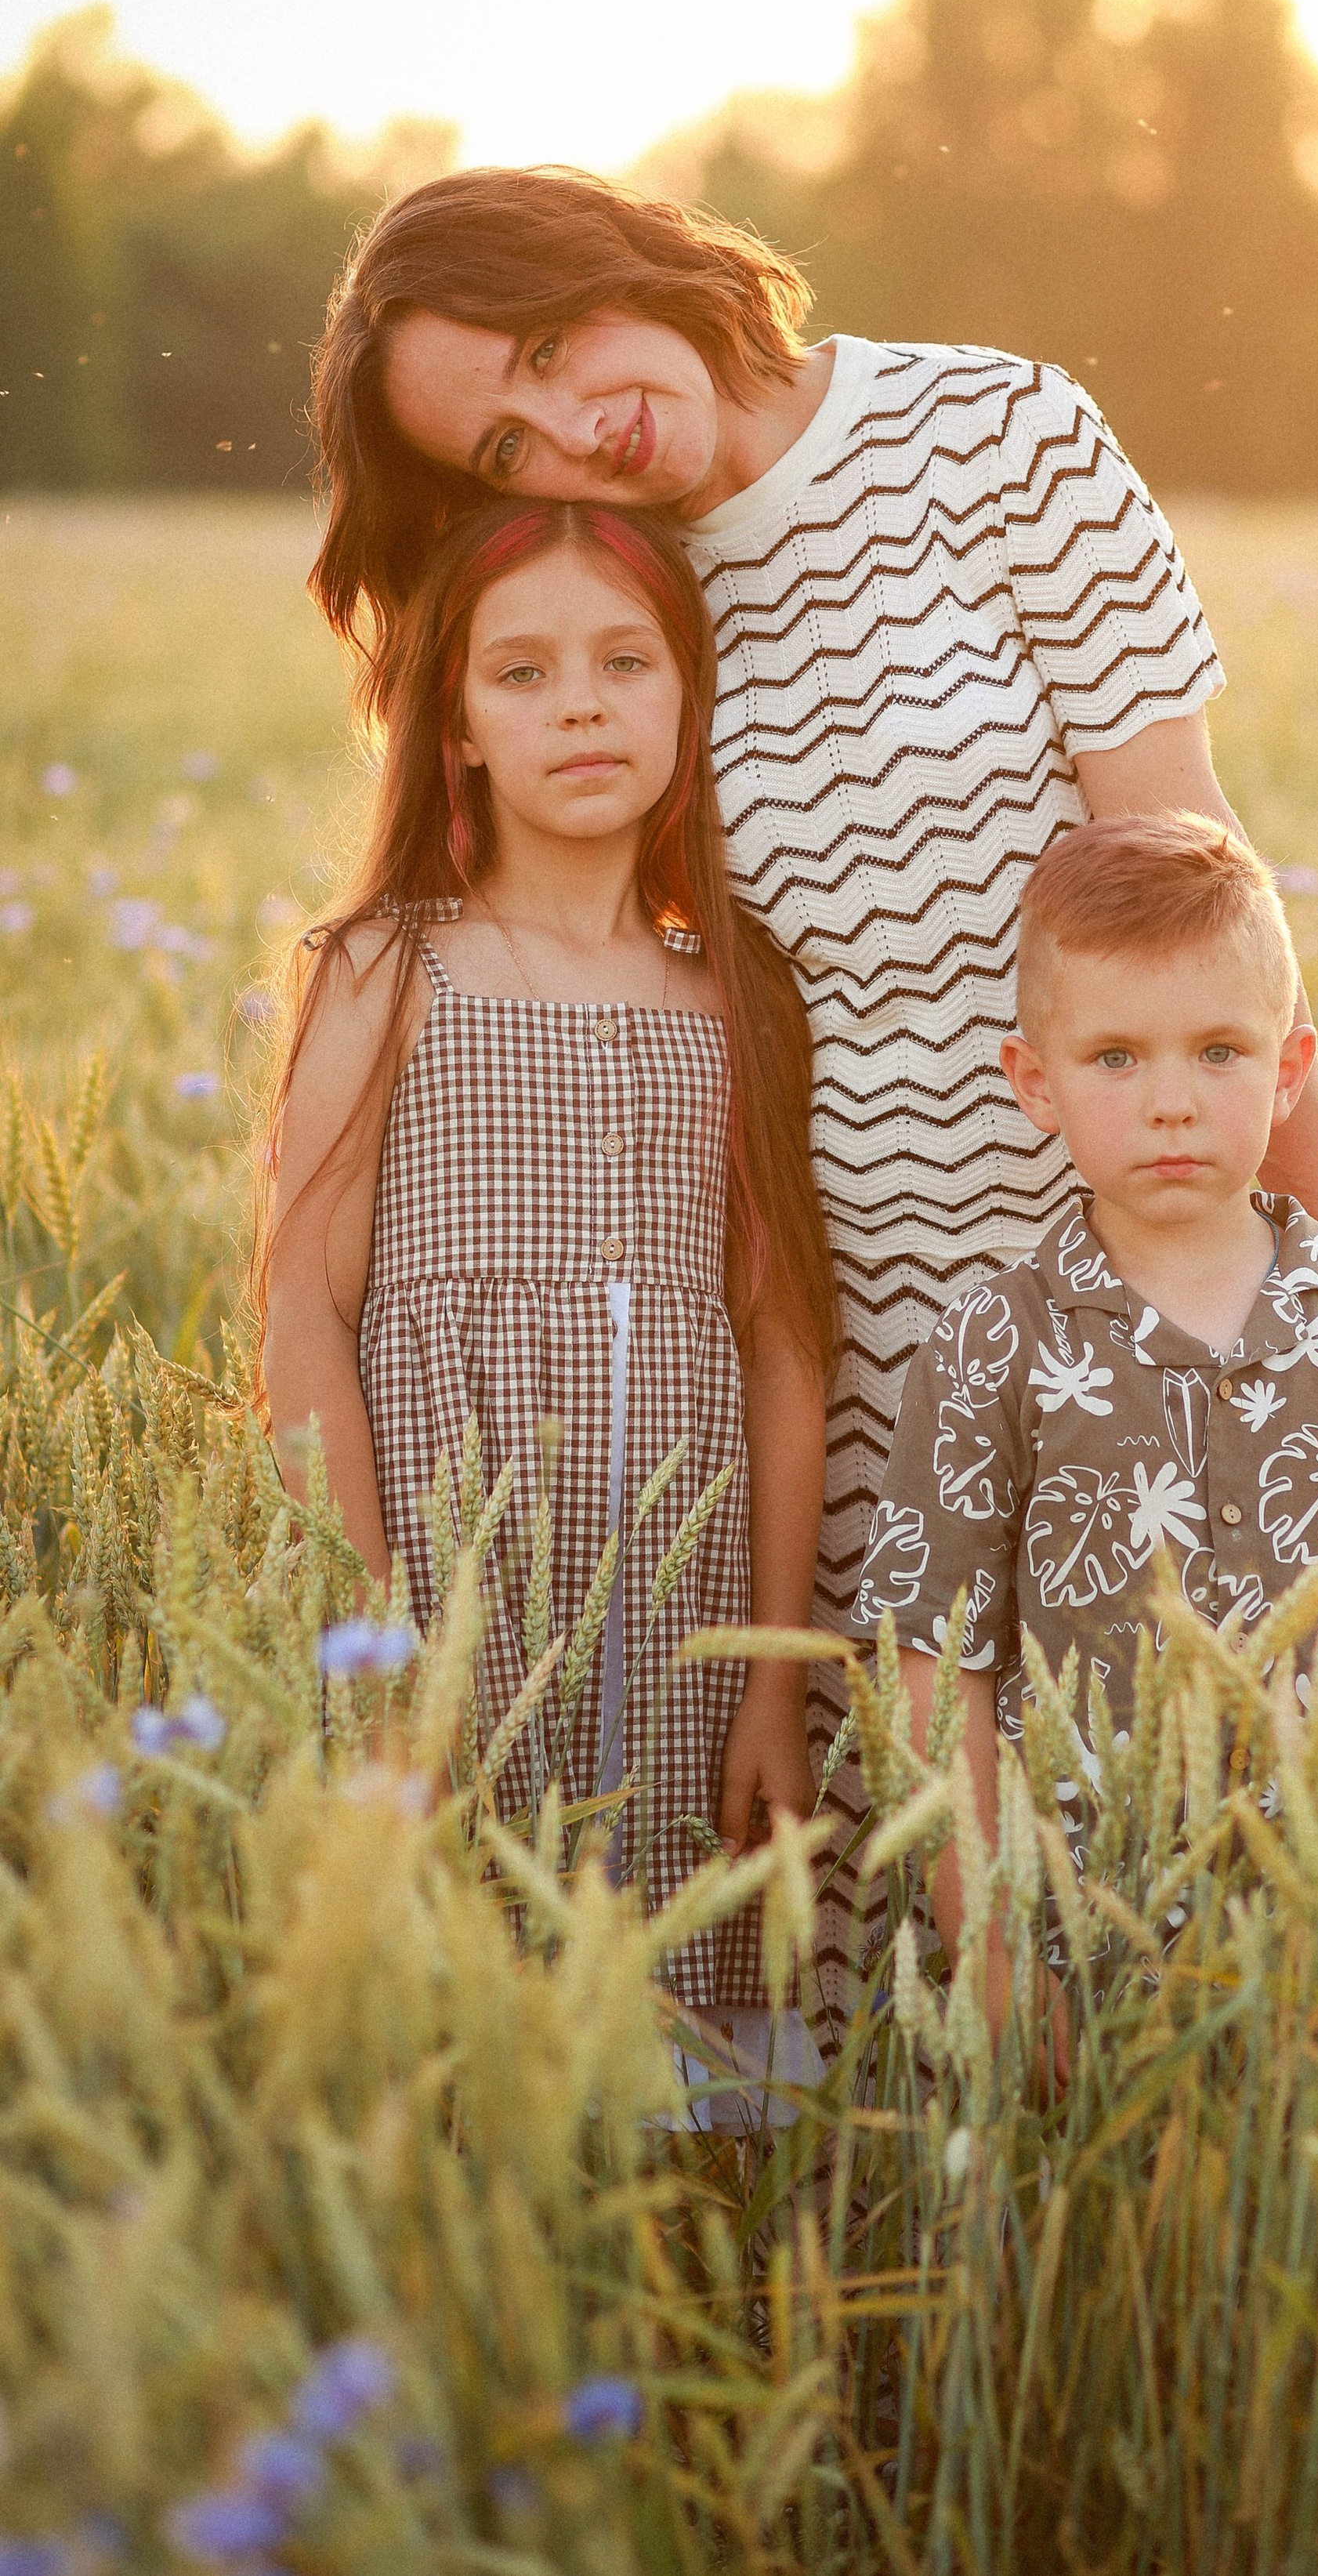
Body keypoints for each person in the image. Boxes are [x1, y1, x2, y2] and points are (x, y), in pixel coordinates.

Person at [306, 165, 1318, 1994]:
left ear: (626, 261)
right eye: (504, 441)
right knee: (895, 1933)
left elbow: (1199, 892)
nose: (572, 424)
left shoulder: (997, 434)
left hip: (1114, 1271)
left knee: (1180, 1846)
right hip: (831, 1344)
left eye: (556, 347)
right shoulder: (618, 589)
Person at [259, 498, 838, 2032]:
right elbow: (304, 1312)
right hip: (456, 1592)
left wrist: (775, 1682)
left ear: (685, 694)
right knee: (468, 2025)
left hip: (687, 1595)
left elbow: (782, 1346)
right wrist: (386, 1664)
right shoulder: (386, 964)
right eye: (520, 672)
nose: (580, 700)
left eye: (624, 660)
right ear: (451, 724)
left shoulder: (735, 996)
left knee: (684, 2043)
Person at [854, 813, 1318, 2040]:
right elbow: (932, 1668)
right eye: (1116, 1057)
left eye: (1219, 1051)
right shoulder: (990, 1342)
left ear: (1289, 1068)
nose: (1171, 1102)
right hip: (1089, 1959)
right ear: (1034, 1081)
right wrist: (995, 1958)